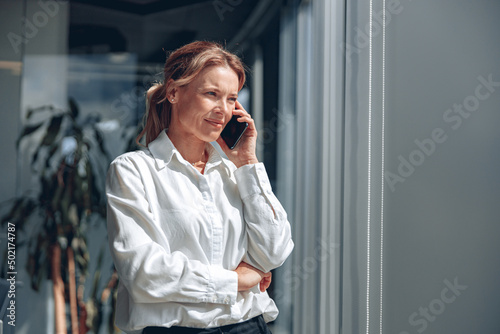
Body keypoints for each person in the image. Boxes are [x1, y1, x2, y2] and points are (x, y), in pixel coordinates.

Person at [106, 41, 294, 334]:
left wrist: (247, 161)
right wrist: (238, 281)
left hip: (250, 327)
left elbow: (274, 251)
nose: (223, 110)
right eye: (211, 94)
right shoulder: (134, 170)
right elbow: (144, 274)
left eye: (232, 99)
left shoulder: (237, 172)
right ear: (173, 92)